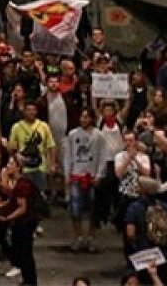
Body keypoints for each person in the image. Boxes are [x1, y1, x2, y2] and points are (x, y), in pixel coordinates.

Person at [63, 107, 106, 252]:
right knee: (75, 210)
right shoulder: (72, 134)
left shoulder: (99, 136)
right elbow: (68, 155)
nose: (83, 119)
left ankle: (91, 238)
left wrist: (99, 175)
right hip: (76, 175)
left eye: (86, 117)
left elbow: (103, 156)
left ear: (92, 119)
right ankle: (78, 237)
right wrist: (67, 174)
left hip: (92, 176)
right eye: (82, 117)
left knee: (93, 210)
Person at [0, 156, 41, 285]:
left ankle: (30, 281)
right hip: (23, 222)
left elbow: (22, 208)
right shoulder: (18, 183)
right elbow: (14, 200)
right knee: (22, 253)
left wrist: (6, 218)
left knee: (25, 253)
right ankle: (27, 280)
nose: (7, 166)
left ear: (18, 167)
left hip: (25, 223)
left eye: (11, 164)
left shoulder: (22, 185)